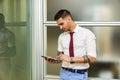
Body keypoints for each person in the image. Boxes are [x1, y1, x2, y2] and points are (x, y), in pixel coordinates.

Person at [44, 9, 96, 80]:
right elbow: (60, 56)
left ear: (69, 19)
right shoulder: (61, 36)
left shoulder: (87, 34)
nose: (60, 27)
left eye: (62, 24)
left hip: (79, 74)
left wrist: (70, 59)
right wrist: (55, 60)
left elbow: (92, 58)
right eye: (59, 25)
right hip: (63, 73)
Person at [0, 13, 16, 80]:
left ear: (3, 21)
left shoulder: (9, 34)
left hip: (3, 62)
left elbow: (13, 52)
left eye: (0, 20)